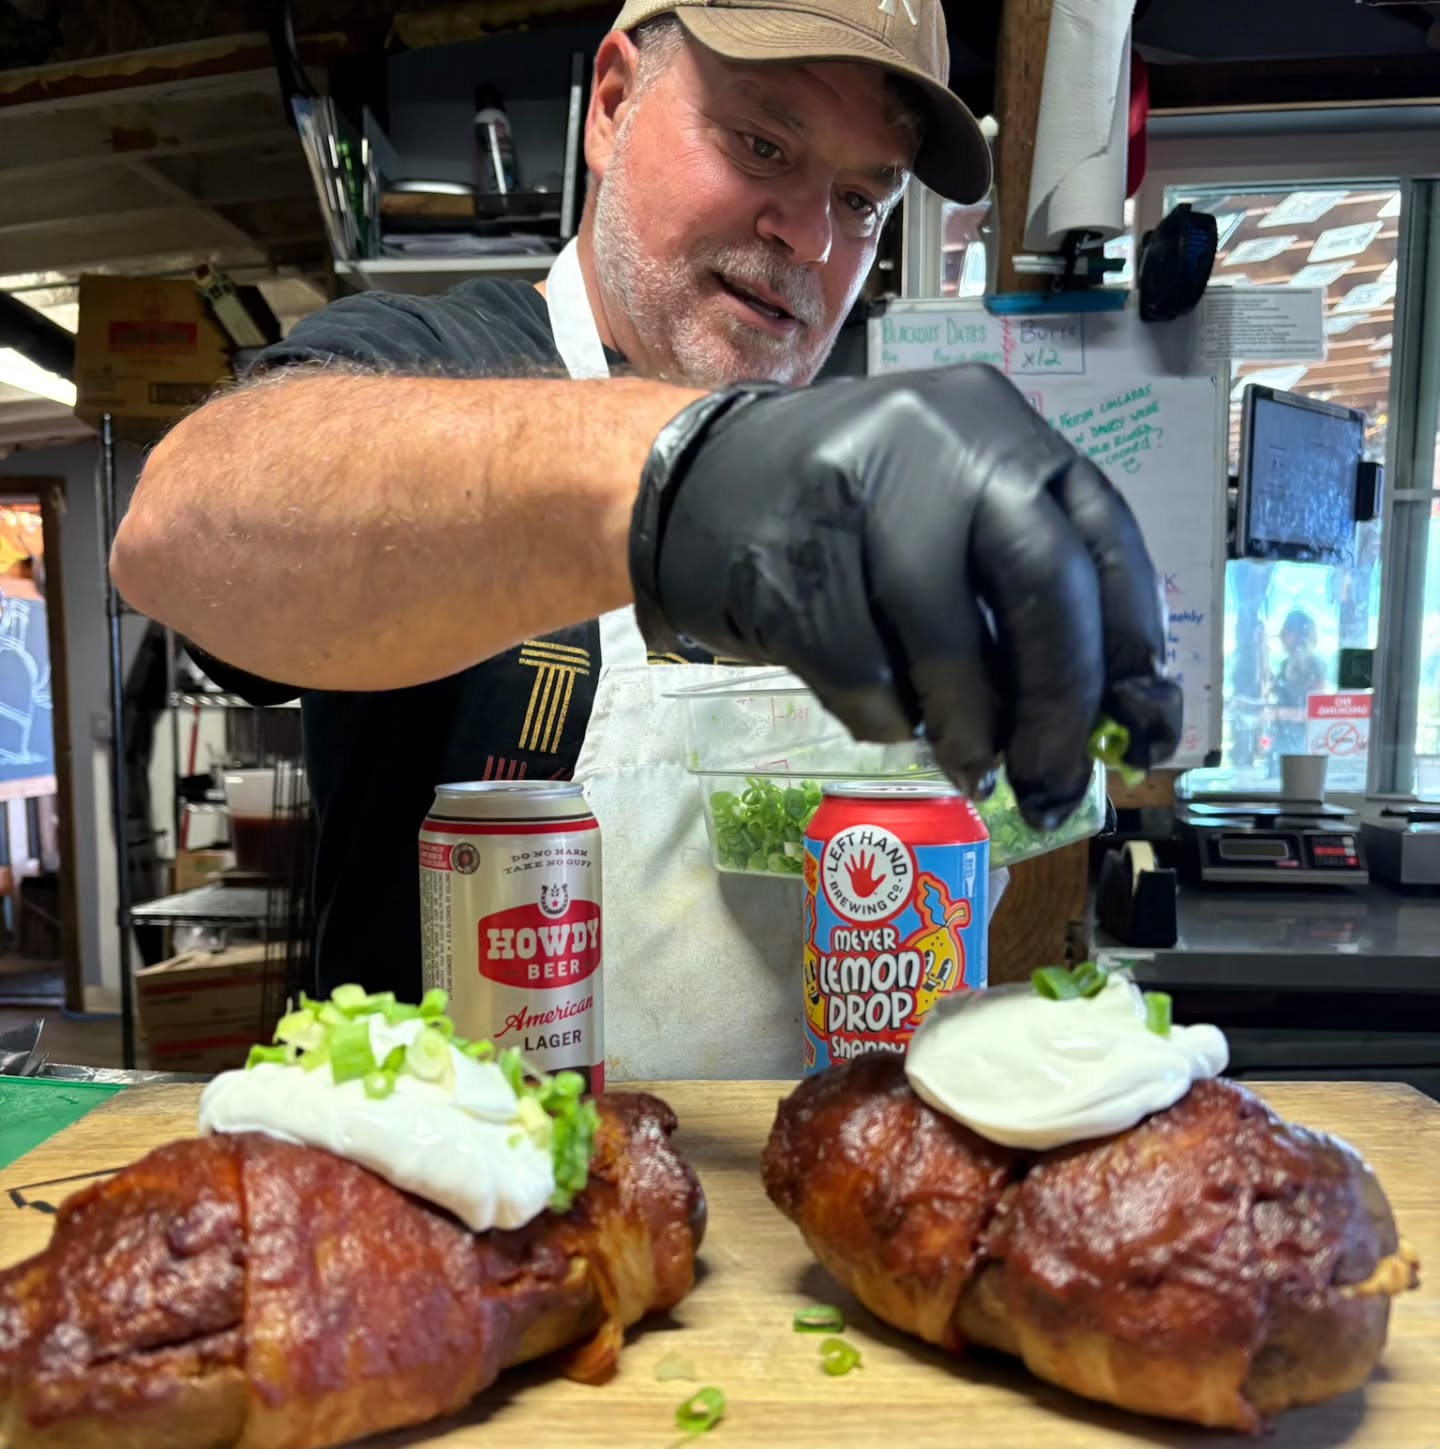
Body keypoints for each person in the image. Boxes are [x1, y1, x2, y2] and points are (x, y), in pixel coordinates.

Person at [110, 0, 1181, 1078]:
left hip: (801, 1215)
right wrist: (681, 477)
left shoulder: (860, 476)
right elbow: (178, 532)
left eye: (861, 199)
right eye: (763, 144)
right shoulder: (436, 357)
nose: (810, 237)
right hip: (452, 1198)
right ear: (615, 106)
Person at [1270, 609, 1325, 763]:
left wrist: (1279, 713)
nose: (1282, 635)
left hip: (1303, 745)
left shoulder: (1315, 665)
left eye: (1287, 631)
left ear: (1299, 635)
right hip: (1283, 741)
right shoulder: (1284, 665)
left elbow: (1315, 713)